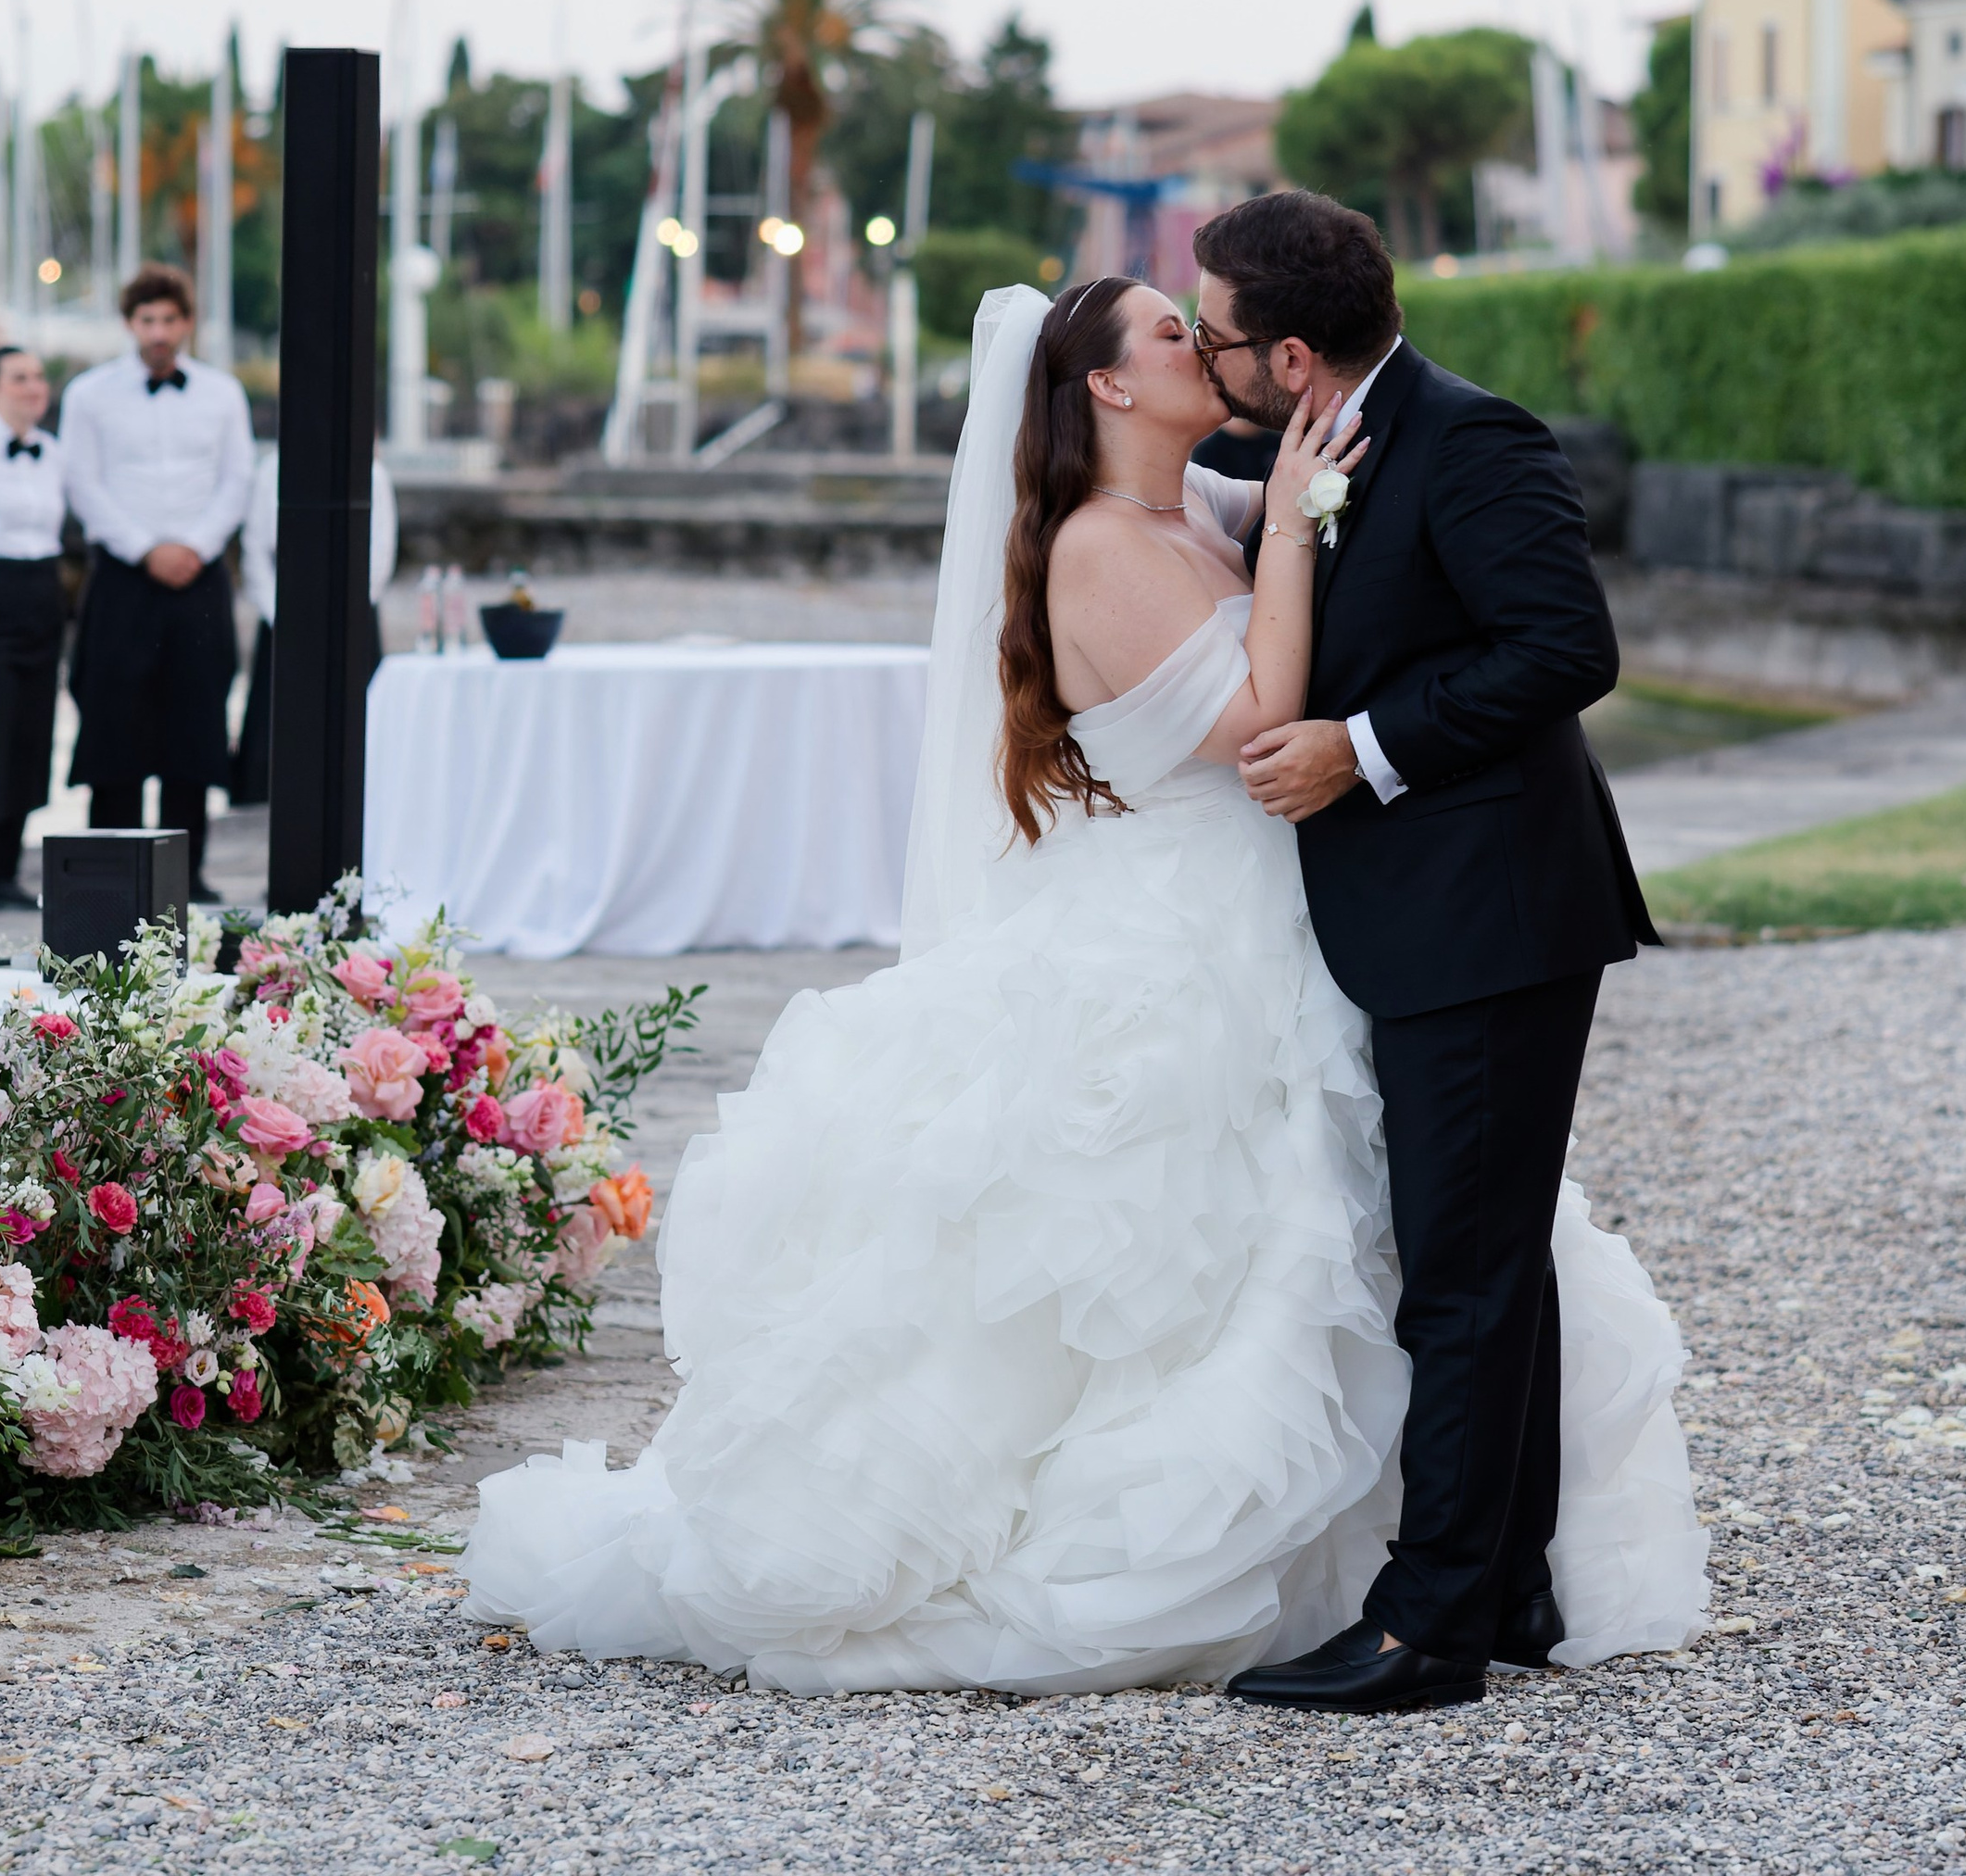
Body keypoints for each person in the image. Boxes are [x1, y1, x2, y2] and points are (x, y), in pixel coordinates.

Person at [460, 276, 1703, 1696]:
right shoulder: (1105, 545)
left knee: (1437, 1240)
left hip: (1307, 916)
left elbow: (1384, 545)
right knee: (1188, 1250)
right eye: (1176, 332)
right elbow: (1259, 723)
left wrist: (1289, 507)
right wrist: (1295, 532)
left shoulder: (1211, 504)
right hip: (1187, 918)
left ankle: (1473, 1576)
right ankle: (1348, 1575)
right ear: (1107, 386)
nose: (1205, 347)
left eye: (1210, 322)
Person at [1187, 188, 1660, 1715]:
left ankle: (1429, 1626)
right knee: (1491, 1264)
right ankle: (1509, 1585)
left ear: (1297, 353)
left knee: (1458, 1275)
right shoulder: (1316, 446)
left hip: (1492, 911)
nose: (1208, 360)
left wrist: (1363, 748)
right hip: (1441, 910)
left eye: (1220, 338)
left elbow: (1564, 648)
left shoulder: (1474, 438)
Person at [57, 266, 254, 904]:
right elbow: (82, 483)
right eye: (148, 321)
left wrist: (194, 546)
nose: (160, 332)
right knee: (114, 723)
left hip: (198, 579)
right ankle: (106, 878)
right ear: (129, 324)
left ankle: (184, 876)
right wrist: (146, 550)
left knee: (194, 725)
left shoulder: (223, 394)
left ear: (187, 322)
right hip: (122, 576)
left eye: (170, 320)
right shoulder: (90, 394)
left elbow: (237, 479)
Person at [229, 442, 398, 809]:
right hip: (282, 616)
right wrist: (283, 616)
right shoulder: (271, 469)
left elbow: (381, 552)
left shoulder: (372, 472)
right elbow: (255, 548)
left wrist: (345, 613)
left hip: (353, 617)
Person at [0, 345, 70, 913]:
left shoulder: (55, 452)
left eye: (39, 377)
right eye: (18, 378)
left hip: (42, 595)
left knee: (30, 736)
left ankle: (3, 869)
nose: (33, 387)